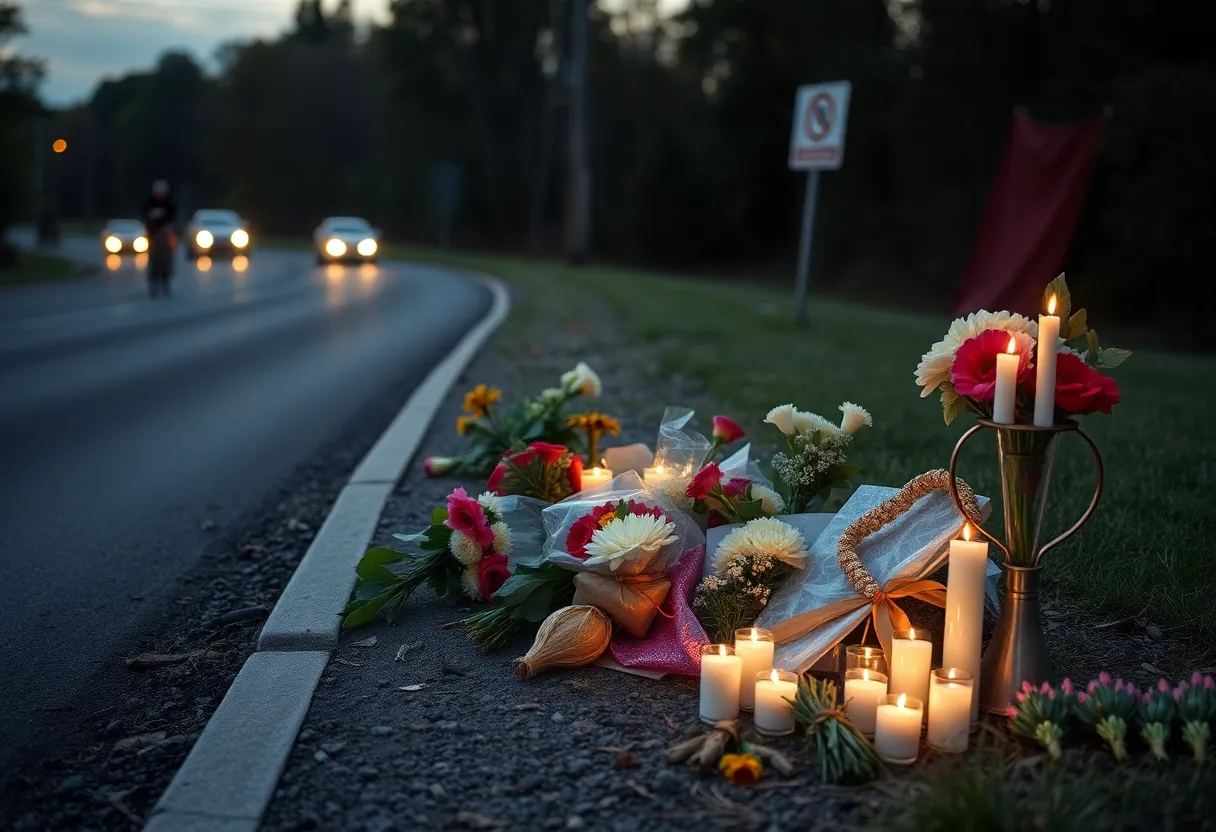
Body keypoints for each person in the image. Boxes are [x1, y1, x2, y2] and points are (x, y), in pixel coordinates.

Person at [140, 180, 178, 297]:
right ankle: (154, 282)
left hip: (166, 236)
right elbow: (145, 215)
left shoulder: (169, 204)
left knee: (167, 260)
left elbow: (174, 217)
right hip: (154, 235)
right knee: (154, 259)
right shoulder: (149, 203)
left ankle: (165, 281)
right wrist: (152, 216)